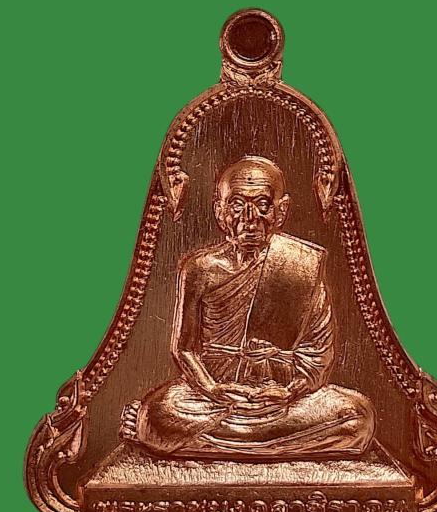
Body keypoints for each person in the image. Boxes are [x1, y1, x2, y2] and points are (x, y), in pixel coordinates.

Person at [120, 155, 375, 457]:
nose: (250, 218)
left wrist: (287, 392)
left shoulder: (300, 267)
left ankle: (218, 443)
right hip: (213, 399)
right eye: (237, 205)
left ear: (281, 211)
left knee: (358, 415)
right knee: (161, 413)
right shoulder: (200, 269)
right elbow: (184, 348)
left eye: (263, 205)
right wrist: (212, 388)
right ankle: (269, 444)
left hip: (281, 400)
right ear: (219, 210)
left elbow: (317, 354)